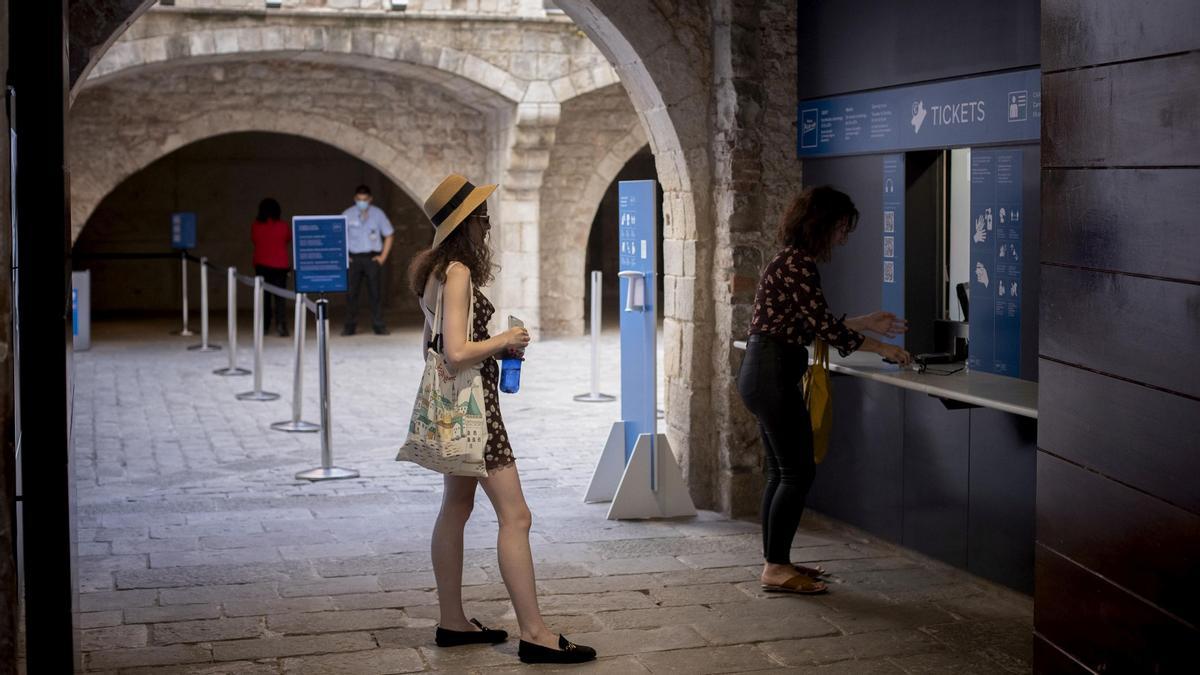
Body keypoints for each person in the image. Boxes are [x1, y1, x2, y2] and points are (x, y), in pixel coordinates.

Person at [407, 174, 597, 665]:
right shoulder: (458, 272)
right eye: (481, 215)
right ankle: (534, 633)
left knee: (456, 508)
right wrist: (506, 341)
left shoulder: (433, 271)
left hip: (454, 410)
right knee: (517, 516)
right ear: (464, 223)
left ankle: (452, 621)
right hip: (475, 412)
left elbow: (428, 348)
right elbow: (455, 350)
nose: (487, 224)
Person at [738, 185, 911, 595]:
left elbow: (811, 320)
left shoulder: (788, 261)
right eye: (841, 228)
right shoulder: (799, 264)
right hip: (773, 374)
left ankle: (776, 560)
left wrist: (866, 321)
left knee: (781, 472)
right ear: (822, 224)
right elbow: (826, 329)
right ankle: (776, 567)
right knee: (797, 471)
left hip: (763, 373)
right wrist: (883, 347)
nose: (844, 237)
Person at [341, 184, 395, 336]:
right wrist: (345, 256)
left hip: (372, 258)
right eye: (359, 199)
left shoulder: (378, 214)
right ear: (355, 198)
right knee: (351, 294)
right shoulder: (347, 214)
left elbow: (389, 234)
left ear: (370, 199)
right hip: (354, 258)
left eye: (365, 199)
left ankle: (378, 325)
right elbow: (338, 236)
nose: (362, 202)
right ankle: (349, 326)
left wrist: (383, 257)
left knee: (375, 293)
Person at [250, 198, 291, 337]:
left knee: (264, 298)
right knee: (280, 298)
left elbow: (254, 240)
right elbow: (287, 239)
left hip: (262, 265)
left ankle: (264, 326)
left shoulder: (256, 226)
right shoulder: (283, 226)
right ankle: (281, 325)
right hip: (280, 266)